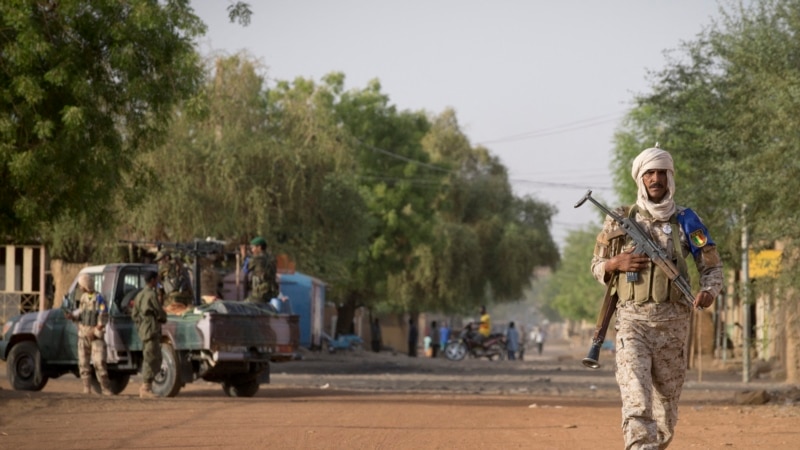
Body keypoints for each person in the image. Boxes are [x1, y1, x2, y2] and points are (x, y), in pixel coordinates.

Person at [590, 146, 723, 449]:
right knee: (636, 397)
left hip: (673, 325)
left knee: (666, 407)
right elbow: (596, 265)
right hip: (631, 322)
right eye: (649, 173)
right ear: (640, 178)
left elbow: (712, 266)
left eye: (661, 172)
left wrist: (708, 292)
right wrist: (615, 264)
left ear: (669, 177)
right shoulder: (620, 220)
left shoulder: (687, 221)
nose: (655, 178)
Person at [65, 274, 112, 395]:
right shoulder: (83, 298)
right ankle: (86, 388)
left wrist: (95, 331)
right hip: (83, 335)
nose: (80, 287)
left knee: (99, 363)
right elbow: (81, 314)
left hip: (95, 336)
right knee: (83, 363)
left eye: (81, 285)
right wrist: (72, 317)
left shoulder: (99, 298)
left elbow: (103, 316)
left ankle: (105, 388)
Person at [132, 271, 167, 398]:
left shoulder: (139, 294)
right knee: (151, 358)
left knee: (151, 356)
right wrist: (162, 318)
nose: (158, 281)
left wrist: (141, 325)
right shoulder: (151, 294)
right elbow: (160, 312)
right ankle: (145, 388)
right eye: (156, 279)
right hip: (151, 330)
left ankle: (147, 387)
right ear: (152, 280)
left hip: (144, 330)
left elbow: (134, 314)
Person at [244, 236, 279, 304]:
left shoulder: (257, 259)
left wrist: (244, 257)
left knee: (243, 306)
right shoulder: (271, 258)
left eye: (253, 247)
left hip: (260, 293)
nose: (252, 250)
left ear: (259, 247)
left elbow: (245, 269)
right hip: (272, 292)